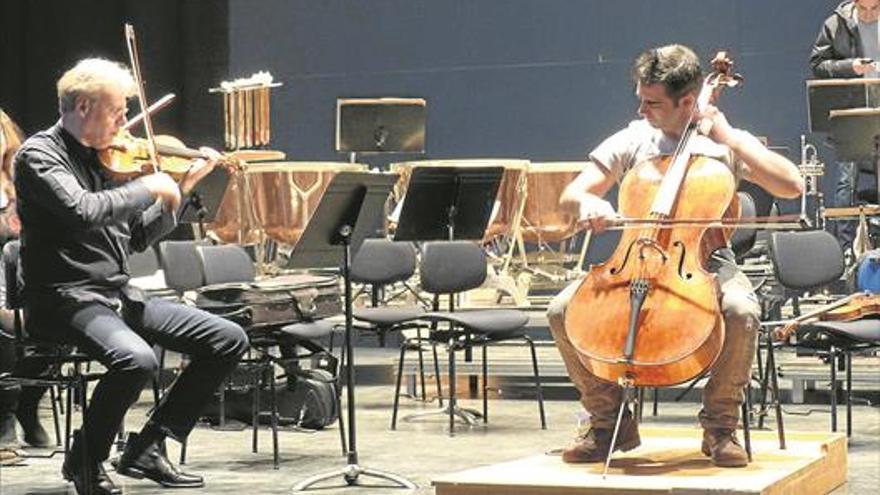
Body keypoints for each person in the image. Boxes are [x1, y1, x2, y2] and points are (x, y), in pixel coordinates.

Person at [548, 44, 804, 468]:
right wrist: (588, 204)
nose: (641, 108)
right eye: (640, 98)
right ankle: (607, 421)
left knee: (741, 309)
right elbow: (573, 192)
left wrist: (731, 137)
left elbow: (791, 185)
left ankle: (720, 427)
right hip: (634, 256)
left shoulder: (723, 146)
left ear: (688, 100)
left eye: (651, 102)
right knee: (561, 311)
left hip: (705, 261)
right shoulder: (633, 138)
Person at [13, 58, 249, 495]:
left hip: (115, 294)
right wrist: (148, 187)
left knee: (227, 338)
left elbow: (136, 237)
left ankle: (149, 446)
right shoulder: (39, 157)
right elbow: (81, 211)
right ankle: (86, 460)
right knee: (136, 359)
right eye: (118, 110)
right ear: (83, 106)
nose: (125, 123)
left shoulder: (111, 160)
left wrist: (183, 191)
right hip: (62, 298)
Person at [1, 108, 53, 466]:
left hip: (24, 280)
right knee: (5, 331)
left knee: (62, 321)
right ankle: (4, 421)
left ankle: (28, 404)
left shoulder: (19, 181)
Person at [810, 0, 880, 254]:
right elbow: (817, 64)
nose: (870, 15)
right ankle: (845, 249)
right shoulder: (836, 24)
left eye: (876, 9)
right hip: (851, 112)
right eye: (865, 10)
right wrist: (850, 66)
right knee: (845, 183)